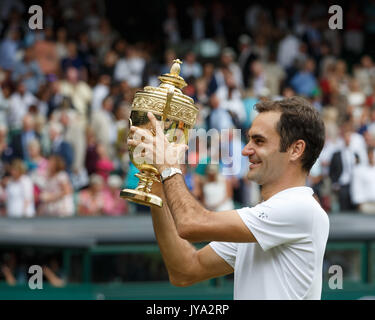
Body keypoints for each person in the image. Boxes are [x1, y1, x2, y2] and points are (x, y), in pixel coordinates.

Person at [128, 96, 329, 300]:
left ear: (296, 150)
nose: (245, 150)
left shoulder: (301, 207)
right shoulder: (263, 220)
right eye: (249, 139)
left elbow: (190, 223)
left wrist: (169, 167)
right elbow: (185, 270)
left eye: (259, 141)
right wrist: (157, 192)